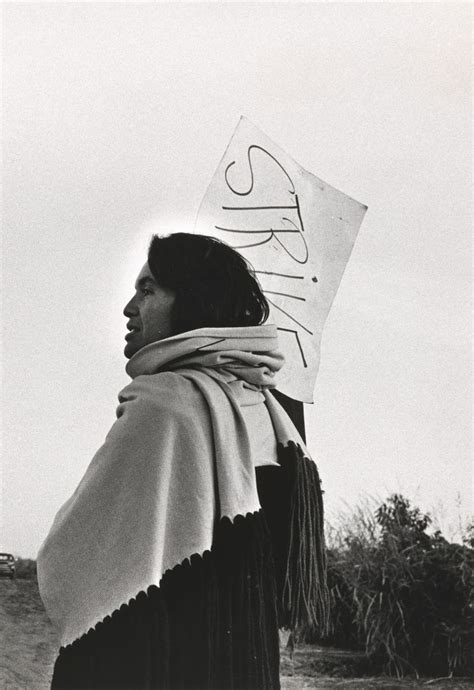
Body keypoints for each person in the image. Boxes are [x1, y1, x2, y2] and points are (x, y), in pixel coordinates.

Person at [37, 232, 328, 690]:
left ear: (191, 299)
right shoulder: (277, 415)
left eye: (148, 289)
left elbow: (74, 553)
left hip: (169, 663)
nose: (130, 307)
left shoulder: (165, 405)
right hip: (242, 665)